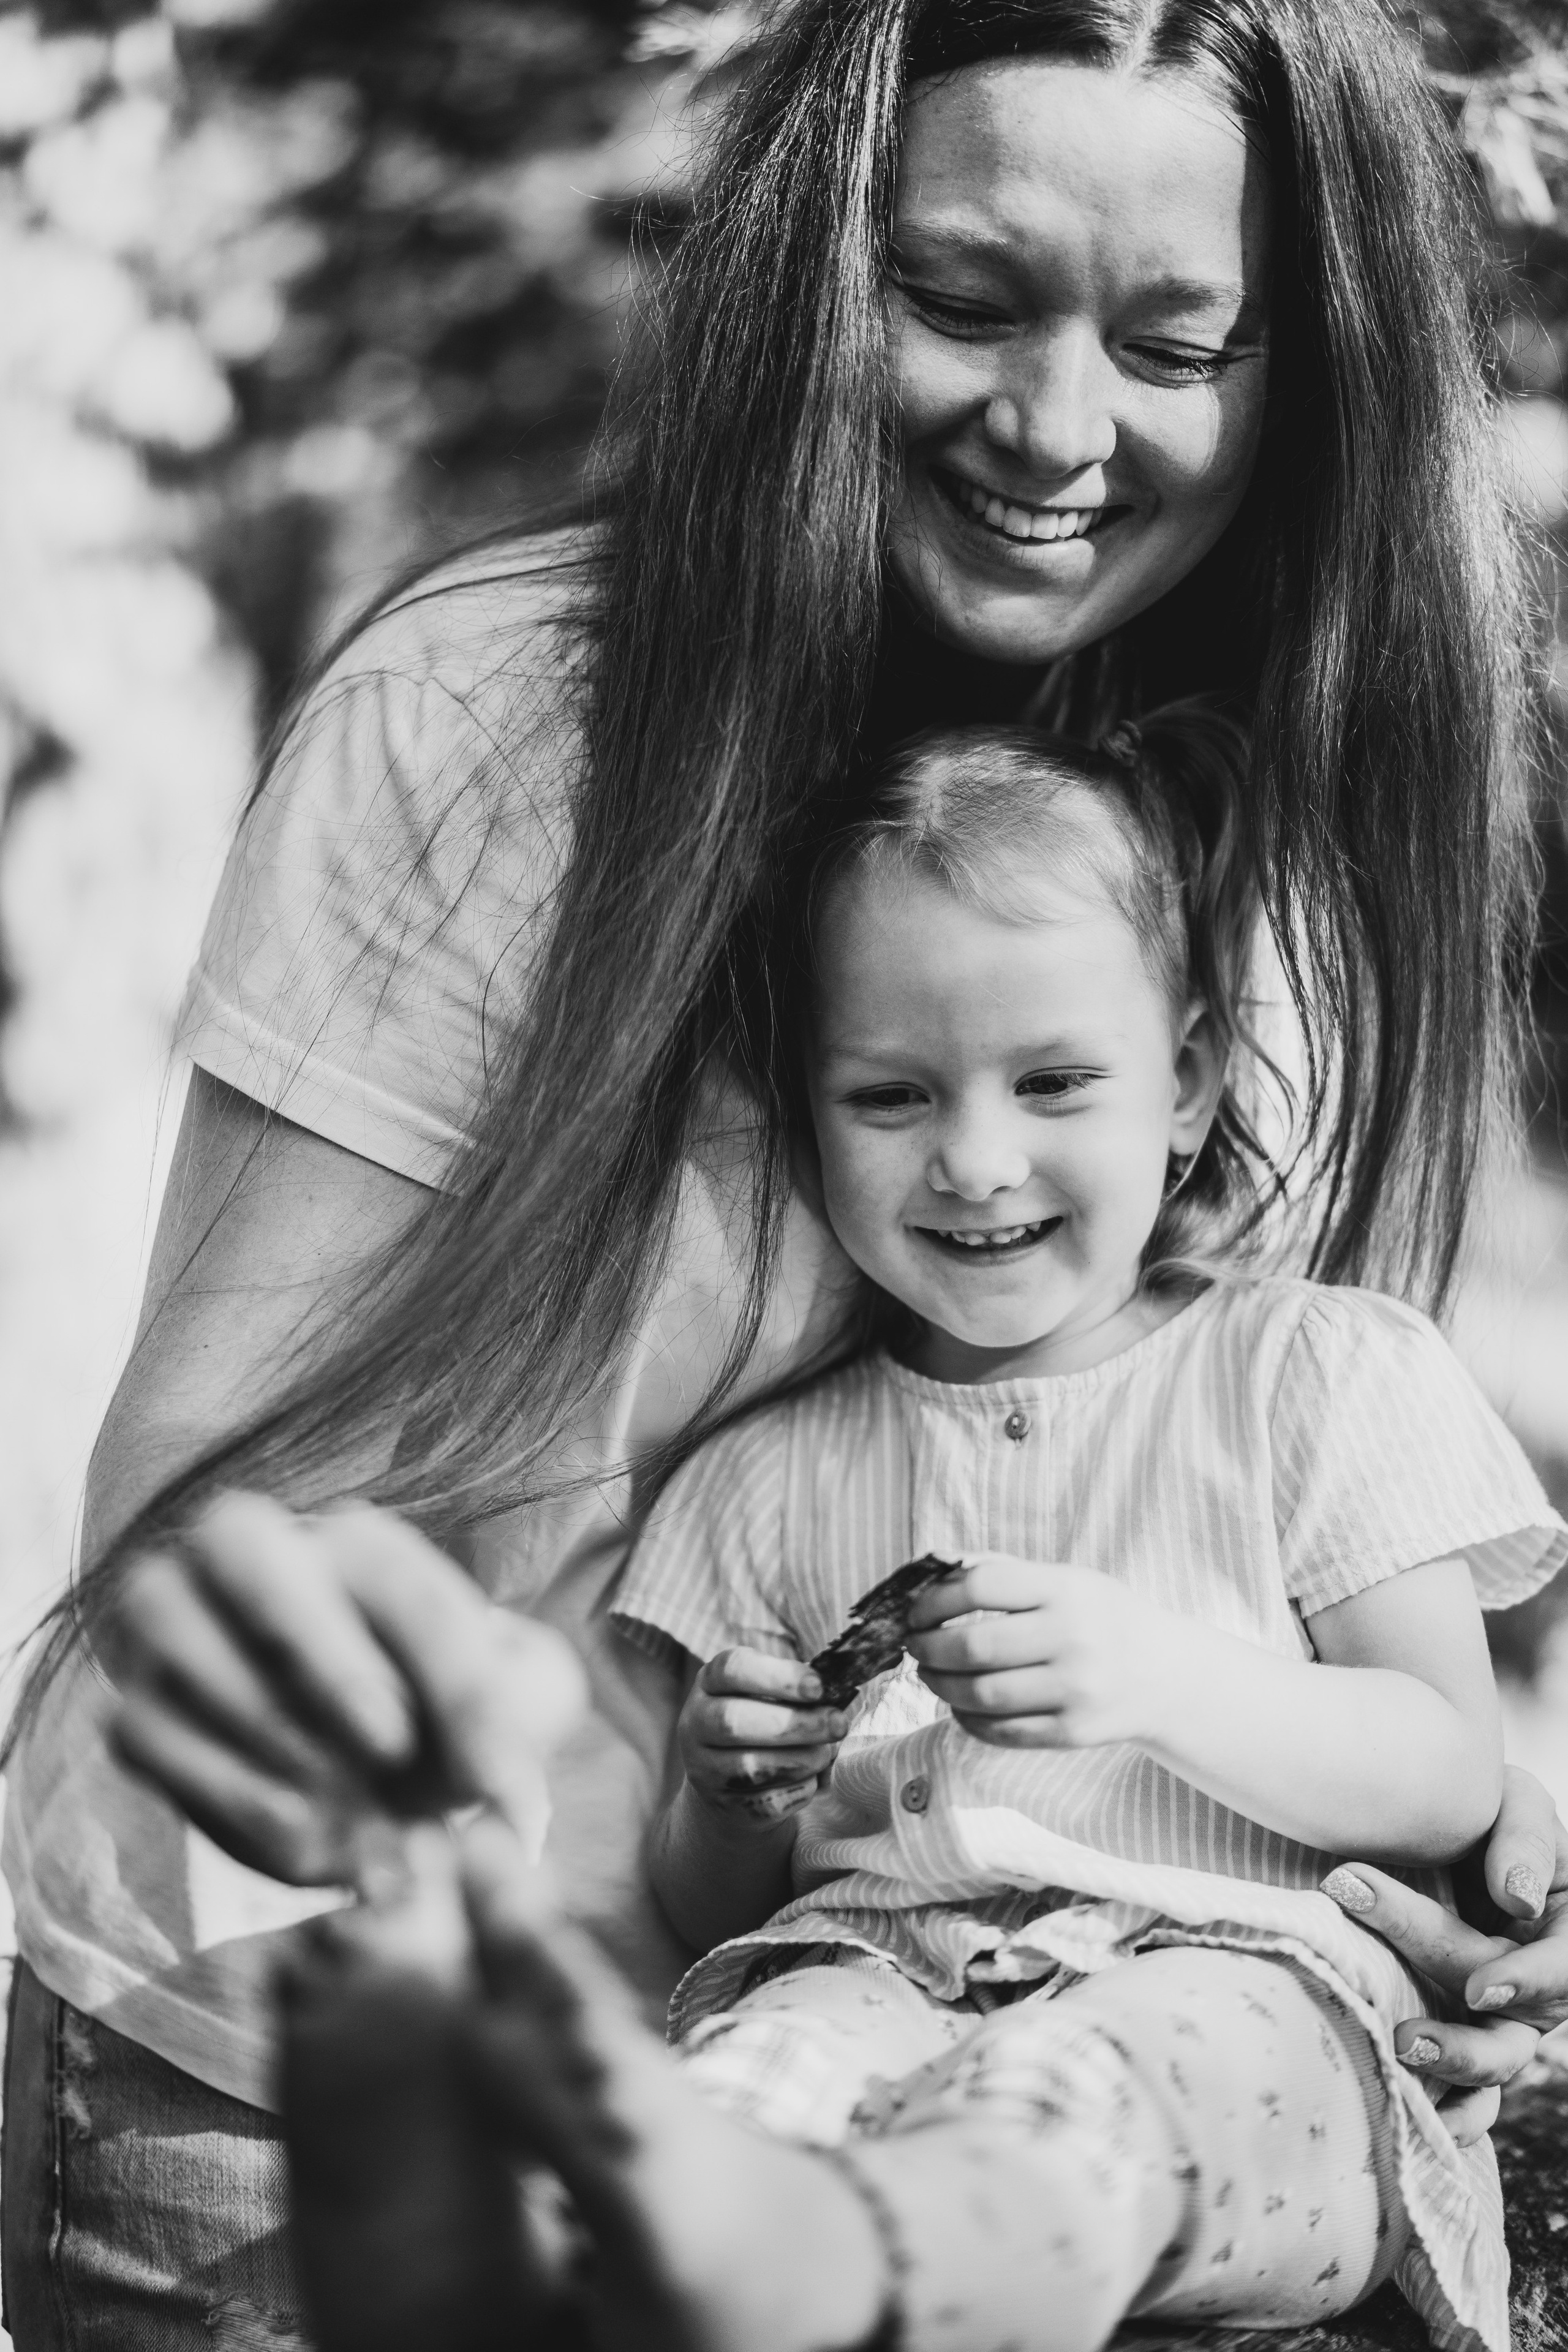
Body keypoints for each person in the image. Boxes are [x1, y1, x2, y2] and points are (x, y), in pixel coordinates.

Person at [4, 0, 1567, 2340]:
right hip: (330, 2052)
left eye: (1176, 341)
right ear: (807, 282)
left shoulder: (1222, 845)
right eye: (958, 300)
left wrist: (1478, 1860)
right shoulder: (503, 729)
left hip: (895, 2063)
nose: (1055, 426)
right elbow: (197, 1504)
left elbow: (1284, 1532)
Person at [588, 712, 1561, 2351]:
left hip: (1257, 2003)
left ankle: (959, 2262)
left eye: (1053, 1082)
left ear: (1183, 1086)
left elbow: (1450, 1766)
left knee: (1065, 2105)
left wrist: (1164, 1679)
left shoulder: (1308, 1378)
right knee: (731, 2106)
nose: (977, 1160)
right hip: (876, 1977)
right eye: (892, 1095)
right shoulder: (768, 1476)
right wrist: (723, 1785)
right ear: (807, 1120)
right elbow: (707, 1915)